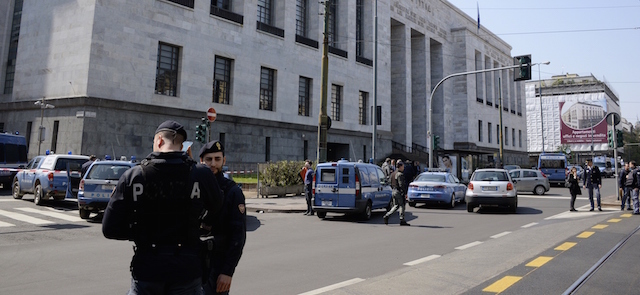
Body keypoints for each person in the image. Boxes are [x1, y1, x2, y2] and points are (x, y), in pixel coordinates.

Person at [102, 120, 224, 295]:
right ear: (182, 146)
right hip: (187, 268)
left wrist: (139, 231)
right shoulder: (201, 174)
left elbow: (110, 228)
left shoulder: (134, 176)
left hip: (148, 268)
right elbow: (217, 206)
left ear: (159, 141)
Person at [199, 140, 247, 295]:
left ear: (224, 161)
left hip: (217, 266)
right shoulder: (194, 188)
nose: (213, 164)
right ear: (201, 161)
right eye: (209, 159)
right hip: (192, 264)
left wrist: (228, 271)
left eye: (217, 159)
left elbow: (237, 236)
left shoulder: (232, 192)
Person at [383, 161, 410, 226]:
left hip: (394, 191)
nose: (403, 168)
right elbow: (401, 185)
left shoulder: (393, 174)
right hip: (398, 191)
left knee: (396, 206)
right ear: (400, 167)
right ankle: (402, 220)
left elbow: (389, 182)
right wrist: (404, 192)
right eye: (403, 166)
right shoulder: (400, 174)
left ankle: (387, 215)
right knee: (402, 205)